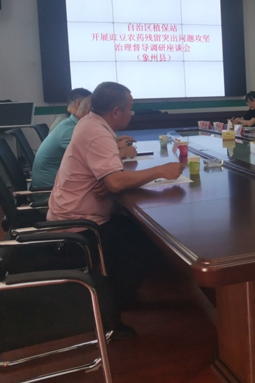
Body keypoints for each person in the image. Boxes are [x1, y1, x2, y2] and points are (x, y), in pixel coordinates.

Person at [48, 82, 185, 310]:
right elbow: (116, 182)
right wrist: (161, 170)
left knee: (139, 229)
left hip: (76, 214)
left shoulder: (89, 123)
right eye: (130, 109)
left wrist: (107, 180)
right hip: (80, 226)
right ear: (115, 112)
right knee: (146, 244)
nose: (131, 114)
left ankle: (115, 294)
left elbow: (110, 179)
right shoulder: (97, 133)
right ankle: (110, 310)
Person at [32, 96, 137, 191]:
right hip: (50, 189)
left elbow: (92, 153)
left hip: (60, 185)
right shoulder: (70, 130)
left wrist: (115, 141)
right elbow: (95, 159)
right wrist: (122, 152)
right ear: (89, 112)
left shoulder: (73, 125)